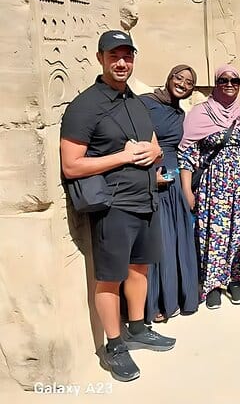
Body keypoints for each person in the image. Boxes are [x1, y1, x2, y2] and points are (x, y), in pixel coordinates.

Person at [60, 30, 174, 382]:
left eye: (127, 55)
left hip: (146, 200)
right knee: (109, 278)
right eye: (114, 56)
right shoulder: (85, 106)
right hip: (112, 206)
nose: (122, 62)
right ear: (100, 58)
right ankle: (114, 346)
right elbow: (71, 165)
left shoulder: (135, 100)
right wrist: (122, 157)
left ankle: (137, 327)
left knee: (140, 268)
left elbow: (152, 143)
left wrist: (155, 152)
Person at [178, 65, 240, 309]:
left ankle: (235, 280)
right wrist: (187, 190)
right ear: (216, 83)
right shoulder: (200, 114)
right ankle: (212, 284)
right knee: (214, 234)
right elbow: (187, 154)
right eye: (223, 80)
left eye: (235, 81)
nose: (229, 84)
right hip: (214, 186)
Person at [140, 65, 199, 323]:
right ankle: (155, 303)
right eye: (179, 78)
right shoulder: (145, 103)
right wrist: (148, 174)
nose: (182, 84)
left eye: (189, 82)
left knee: (175, 240)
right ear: (169, 77)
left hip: (173, 181)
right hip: (151, 176)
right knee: (159, 241)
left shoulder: (180, 113)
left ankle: (176, 298)